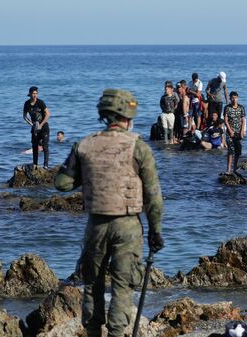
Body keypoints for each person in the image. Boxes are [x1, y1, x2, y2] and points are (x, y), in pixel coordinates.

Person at [54, 89, 164, 337]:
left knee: (92, 284)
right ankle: (116, 334)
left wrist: (87, 177)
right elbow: (154, 196)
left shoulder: (84, 145)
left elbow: (61, 183)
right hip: (127, 226)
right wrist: (155, 231)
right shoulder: (138, 147)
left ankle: (93, 332)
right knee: (122, 285)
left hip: (95, 225)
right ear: (127, 116)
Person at [23, 86, 51, 168]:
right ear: (30, 94)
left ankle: (45, 165)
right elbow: (24, 116)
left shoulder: (40, 102)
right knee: (34, 146)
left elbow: (48, 114)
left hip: (44, 126)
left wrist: (41, 125)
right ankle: (35, 164)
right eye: (33, 93)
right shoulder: (27, 103)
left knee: (45, 146)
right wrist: (32, 124)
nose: (35, 95)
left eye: (36, 93)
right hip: (35, 127)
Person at [224, 91, 246, 175]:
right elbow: (225, 120)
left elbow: (243, 120)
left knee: (238, 151)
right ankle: (228, 169)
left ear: (237, 98)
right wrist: (230, 131)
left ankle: (235, 169)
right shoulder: (227, 107)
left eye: (235, 98)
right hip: (230, 132)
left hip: (238, 132)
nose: (234, 99)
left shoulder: (241, 107)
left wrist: (242, 131)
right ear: (230, 98)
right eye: (232, 98)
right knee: (231, 150)